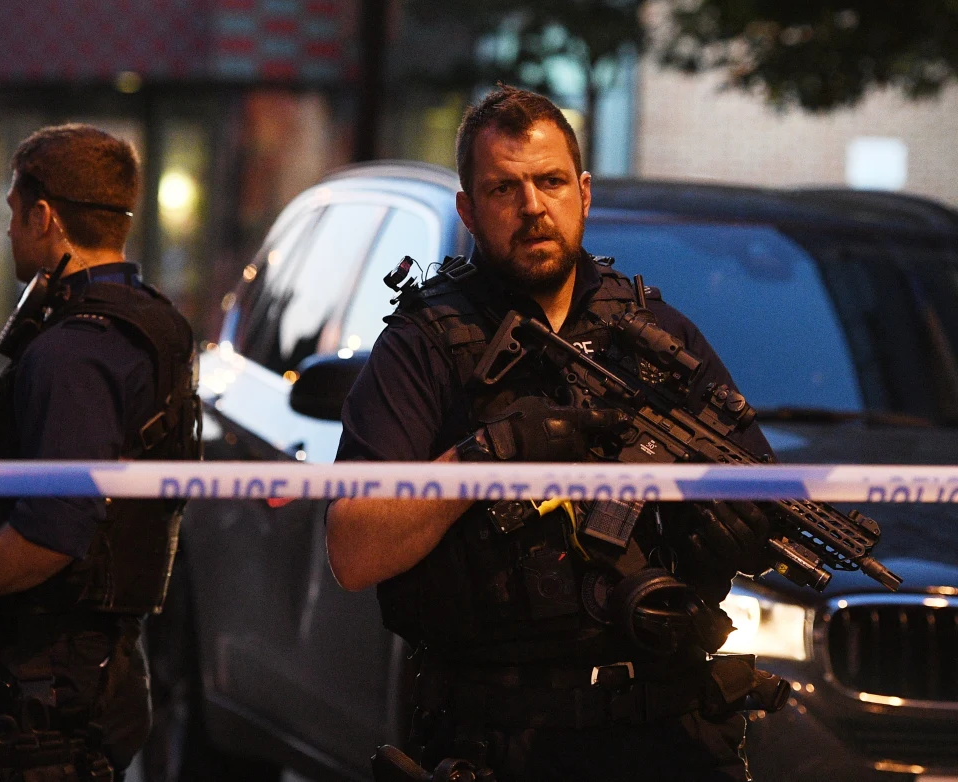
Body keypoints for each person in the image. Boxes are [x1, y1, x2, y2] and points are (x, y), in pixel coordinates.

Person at [327, 86, 780, 782]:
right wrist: (487, 456)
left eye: (550, 182)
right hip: (499, 735)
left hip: (666, 733)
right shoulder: (425, 345)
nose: (533, 207)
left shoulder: (659, 340)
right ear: (469, 212)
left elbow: (761, 496)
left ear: (584, 192)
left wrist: (733, 538)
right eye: (504, 188)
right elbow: (353, 549)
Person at [0, 123, 198, 782]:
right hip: (96, 674)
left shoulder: (73, 351)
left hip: (50, 697)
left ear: (45, 216)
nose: (7, 232)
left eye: (13, 213)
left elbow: (52, 531)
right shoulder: (151, 321)